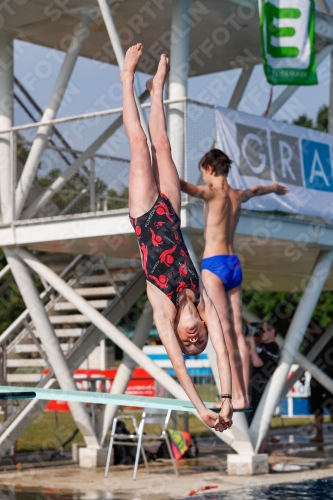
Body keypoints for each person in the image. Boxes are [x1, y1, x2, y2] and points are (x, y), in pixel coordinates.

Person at [121, 44, 232, 431]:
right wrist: (227, 401)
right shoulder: (202, 301)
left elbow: (182, 370)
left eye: (190, 344)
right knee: (163, 145)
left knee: (139, 146)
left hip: (145, 215)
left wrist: (202, 408)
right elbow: (223, 351)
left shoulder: (164, 312)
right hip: (170, 209)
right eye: (197, 339)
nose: (193, 338)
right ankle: (155, 91)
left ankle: (127, 79)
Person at [180, 149, 289, 409]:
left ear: (209, 168)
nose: (202, 179)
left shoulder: (211, 193)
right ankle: (244, 396)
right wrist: (274, 187)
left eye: (203, 173)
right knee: (237, 333)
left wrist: (159, 170)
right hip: (233, 265)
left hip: (215, 265)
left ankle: (235, 396)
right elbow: (257, 190)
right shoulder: (237, 196)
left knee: (224, 332)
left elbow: (184, 187)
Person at [246, 322, 280, 425]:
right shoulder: (260, 345)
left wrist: (252, 344)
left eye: (263, 331)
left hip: (260, 387)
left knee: (255, 418)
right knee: (250, 417)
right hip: (252, 386)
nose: (261, 334)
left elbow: (257, 363)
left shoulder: (273, 348)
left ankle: (258, 439)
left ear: (272, 331)